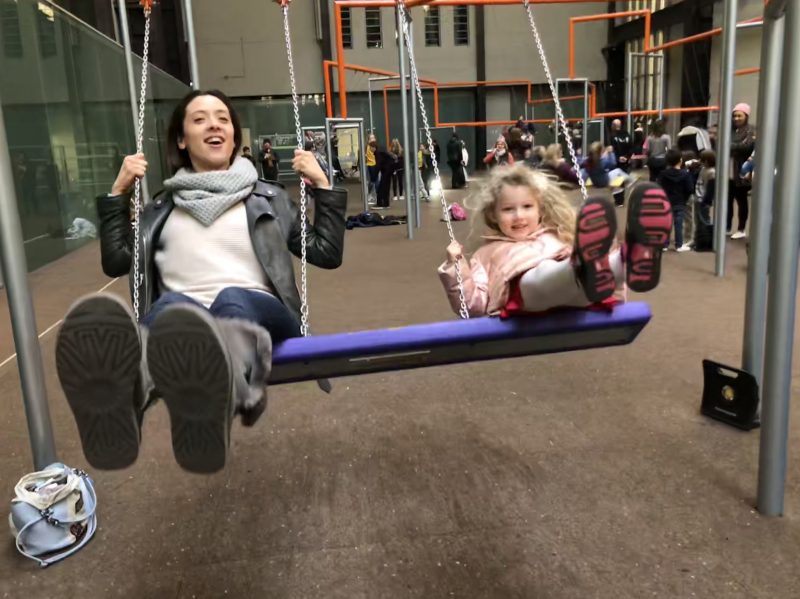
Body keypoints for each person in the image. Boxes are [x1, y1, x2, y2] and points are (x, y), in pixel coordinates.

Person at [54, 89, 347, 474]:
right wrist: (118, 193)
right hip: (184, 332)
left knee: (231, 299)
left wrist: (323, 186)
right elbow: (117, 262)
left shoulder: (269, 199)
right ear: (180, 139)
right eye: (200, 118)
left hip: (261, 315)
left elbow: (325, 252)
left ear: (234, 136)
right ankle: (125, 405)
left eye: (223, 118)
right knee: (173, 308)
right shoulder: (159, 209)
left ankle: (219, 397)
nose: (214, 124)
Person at [438, 165, 672, 317]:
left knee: (588, 280)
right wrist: (456, 265)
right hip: (527, 300)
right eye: (508, 209)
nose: (519, 216)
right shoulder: (487, 253)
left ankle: (631, 258)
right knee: (539, 277)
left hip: (578, 297)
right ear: (493, 215)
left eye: (527, 207)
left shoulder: (558, 236)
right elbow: (472, 306)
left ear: (541, 209)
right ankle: (594, 266)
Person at [727, 103, 756, 239]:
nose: (736, 118)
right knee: (727, 201)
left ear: (746, 116)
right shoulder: (730, 130)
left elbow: (747, 147)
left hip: (741, 171)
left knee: (742, 201)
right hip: (728, 171)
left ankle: (741, 228)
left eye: (739, 115)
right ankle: (726, 227)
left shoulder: (751, 130)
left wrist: (730, 146)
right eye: (735, 116)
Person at [657, 148, 694, 252]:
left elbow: (659, 187)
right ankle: (679, 244)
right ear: (680, 160)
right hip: (680, 201)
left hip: (666, 201)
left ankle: (664, 244)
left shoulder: (663, 174)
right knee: (679, 223)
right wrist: (685, 197)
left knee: (666, 223)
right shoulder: (685, 174)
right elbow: (690, 189)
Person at [366, 134, 379, 201]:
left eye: (374, 137)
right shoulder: (370, 146)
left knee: (375, 181)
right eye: (371, 138)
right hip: (371, 165)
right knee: (373, 181)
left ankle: (375, 194)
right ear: (368, 140)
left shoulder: (372, 145)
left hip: (375, 164)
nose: (373, 139)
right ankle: (371, 194)